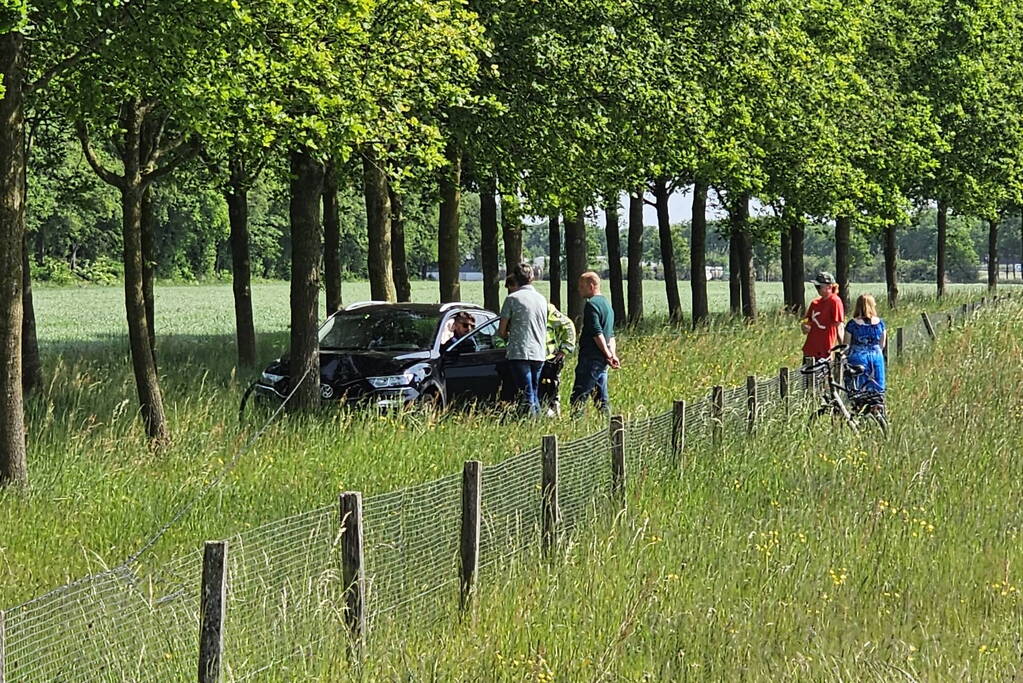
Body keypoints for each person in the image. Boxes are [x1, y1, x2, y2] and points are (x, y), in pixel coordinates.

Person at [497, 263, 548, 416]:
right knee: (534, 390)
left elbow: (501, 331)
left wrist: (507, 336)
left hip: (520, 352)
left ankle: (530, 424)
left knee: (526, 393)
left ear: (515, 278)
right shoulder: (542, 299)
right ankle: (539, 423)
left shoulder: (512, 299)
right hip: (539, 352)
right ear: (531, 278)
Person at [570, 272, 620, 414]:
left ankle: (575, 425)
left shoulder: (591, 305)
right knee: (601, 399)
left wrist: (607, 353)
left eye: (581, 286)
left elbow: (597, 333)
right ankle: (608, 425)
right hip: (602, 361)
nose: (579, 290)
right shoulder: (607, 305)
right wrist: (612, 354)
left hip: (590, 359)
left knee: (579, 397)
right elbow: (610, 335)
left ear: (591, 286)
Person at [843, 293, 886, 393]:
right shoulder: (880, 324)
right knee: (877, 388)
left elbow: (846, 345)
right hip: (876, 357)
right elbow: (882, 344)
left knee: (858, 389)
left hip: (858, 357)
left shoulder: (852, 324)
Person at [539, 301, 576, 416]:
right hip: (529, 357)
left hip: (549, 358)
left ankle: (555, 417)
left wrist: (565, 349)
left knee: (552, 390)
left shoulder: (546, 308)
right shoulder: (516, 305)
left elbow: (568, 325)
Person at [801, 271, 845, 363]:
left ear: (829, 287)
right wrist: (804, 327)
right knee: (807, 377)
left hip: (825, 351)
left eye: (819, 286)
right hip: (810, 350)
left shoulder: (835, 301)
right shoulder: (814, 303)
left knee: (823, 377)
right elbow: (807, 322)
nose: (817, 289)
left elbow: (839, 326)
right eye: (816, 286)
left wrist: (843, 349)